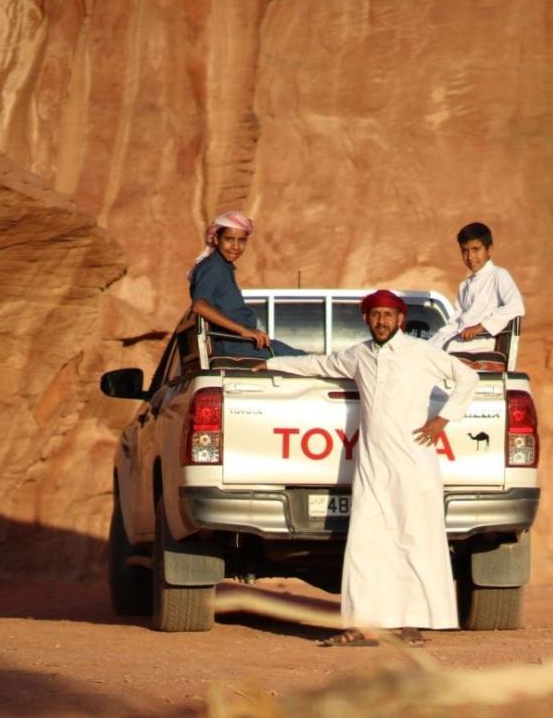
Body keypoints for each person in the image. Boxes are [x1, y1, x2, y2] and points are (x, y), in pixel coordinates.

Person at [255, 289, 478, 646]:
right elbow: (318, 363)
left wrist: (442, 420)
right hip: (372, 466)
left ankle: (412, 624)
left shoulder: (421, 353)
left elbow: (468, 379)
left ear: (400, 319)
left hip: (414, 466)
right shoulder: (359, 355)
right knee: (366, 543)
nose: (382, 321)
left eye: (389, 315)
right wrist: (271, 363)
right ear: (367, 319)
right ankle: (361, 625)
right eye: (375, 315)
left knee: (414, 539)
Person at [187, 210, 300, 359]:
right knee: (305, 362)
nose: (235, 246)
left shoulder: (223, 266)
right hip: (233, 345)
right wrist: (243, 330)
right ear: (215, 239)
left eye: (241, 240)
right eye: (229, 239)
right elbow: (199, 305)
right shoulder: (213, 266)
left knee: (301, 358)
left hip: (241, 342)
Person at [426, 221, 525, 354]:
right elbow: (455, 322)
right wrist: (433, 341)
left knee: (436, 353)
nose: (470, 257)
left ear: (489, 250)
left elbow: (516, 306)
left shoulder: (498, 275)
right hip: (459, 339)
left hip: (480, 342)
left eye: (476, 250)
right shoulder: (465, 286)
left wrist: (481, 326)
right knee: (421, 350)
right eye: (465, 251)